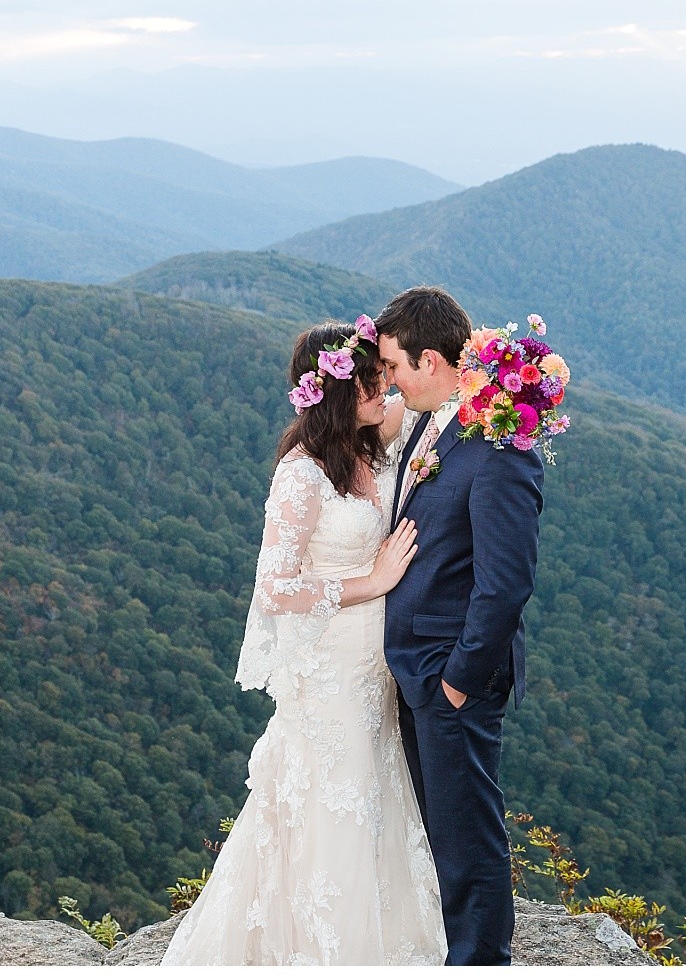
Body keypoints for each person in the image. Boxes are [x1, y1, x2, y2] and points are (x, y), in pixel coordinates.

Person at [160, 318, 446, 965]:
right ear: (340, 393)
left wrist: (500, 364)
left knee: (373, 791)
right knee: (332, 802)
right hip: (330, 671)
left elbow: (438, 393)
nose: (385, 388)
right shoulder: (302, 473)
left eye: (384, 374)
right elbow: (275, 588)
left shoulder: (368, 444)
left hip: (375, 670)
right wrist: (370, 580)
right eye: (373, 380)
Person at [378, 286, 545, 966]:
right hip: (416, 669)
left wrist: (457, 681)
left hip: (453, 674)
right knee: (435, 829)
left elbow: (505, 584)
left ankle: (480, 958)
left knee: (468, 834)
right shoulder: (430, 421)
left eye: (393, 366)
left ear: (428, 359)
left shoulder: (501, 448)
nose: (388, 380)